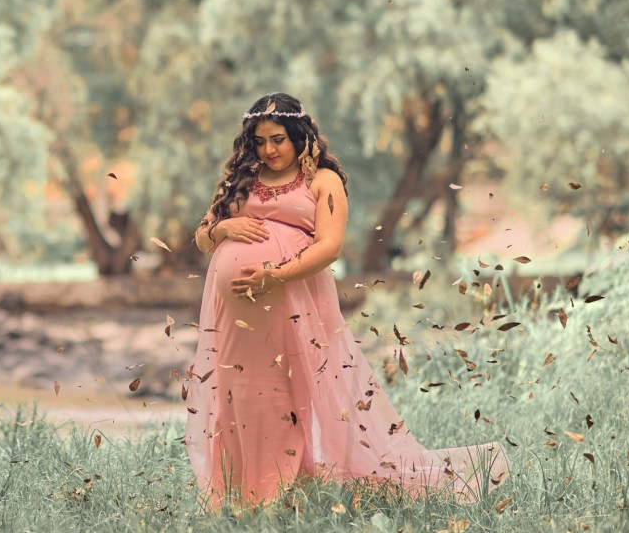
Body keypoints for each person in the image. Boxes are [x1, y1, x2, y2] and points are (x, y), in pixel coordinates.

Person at [185, 92, 509, 510]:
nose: (269, 149)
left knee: (281, 393)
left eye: (279, 139)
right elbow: (202, 236)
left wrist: (274, 275)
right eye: (261, 140)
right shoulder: (242, 179)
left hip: (288, 305)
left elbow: (330, 246)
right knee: (237, 390)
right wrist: (226, 228)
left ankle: (278, 493)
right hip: (234, 315)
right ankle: (235, 494)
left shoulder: (322, 180)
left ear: (301, 135)